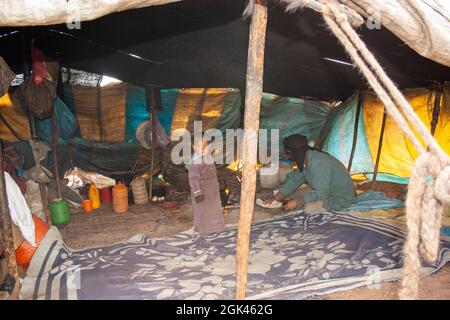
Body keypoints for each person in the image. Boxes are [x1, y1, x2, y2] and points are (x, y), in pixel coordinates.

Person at [265, 134, 355, 213]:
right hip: (326, 190)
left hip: (339, 198)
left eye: (289, 153)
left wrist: (298, 202)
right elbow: (296, 178)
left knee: (309, 208)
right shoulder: (307, 158)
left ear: (296, 153)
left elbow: (322, 193)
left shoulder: (319, 163)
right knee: (293, 194)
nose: (288, 156)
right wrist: (279, 195)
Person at [187, 137, 225, 235]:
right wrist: (197, 192)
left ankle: (215, 227)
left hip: (212, 189)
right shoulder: (195, 161)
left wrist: (217, 183)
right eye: (200, 146)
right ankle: (203, 229)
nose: (203, 149)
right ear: (194, 147)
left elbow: (213, 172)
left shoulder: (209, 158)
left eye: (206, 146)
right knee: (202, 210)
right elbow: (193, 179)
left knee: (213, 208)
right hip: (202, 189)